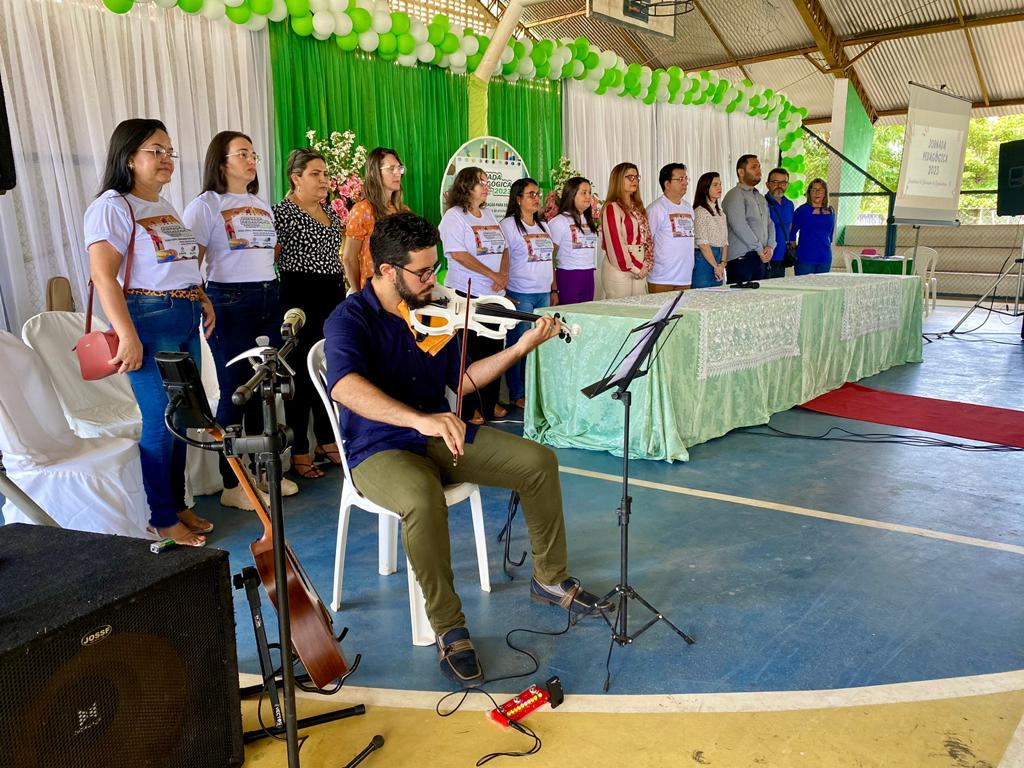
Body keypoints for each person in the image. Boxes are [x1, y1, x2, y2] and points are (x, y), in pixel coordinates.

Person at [324, 212, 611, 687]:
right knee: (420, 497)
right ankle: (449, 628)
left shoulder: (431, 313)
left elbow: (461, 382)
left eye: (434, 269)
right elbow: (345, 387)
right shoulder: (349, 318)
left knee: (538, 462)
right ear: (386, 270)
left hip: (439, 434)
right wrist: (421, 418)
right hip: (377, 448)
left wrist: (522, 347)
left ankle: (550, 578)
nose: (431, 281)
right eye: (421, 272)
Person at [84, 118, 215, 547]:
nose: (166, 160)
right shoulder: (112, 206)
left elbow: (176, 263)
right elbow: (103, 277)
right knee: (160, 422)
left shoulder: (162, 205)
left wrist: (201, 295)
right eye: (155, 151)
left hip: (183, 315)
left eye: (169, 152)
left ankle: (177, 505)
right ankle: (160, 517)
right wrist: (127, 336)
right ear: (128, 157)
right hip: (147, 319)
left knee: (182, 420)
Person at [184, 131, 298, 509]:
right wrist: (202, 302)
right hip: (229, 302)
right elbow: (191, 262)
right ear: (221, 162)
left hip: (269, 296)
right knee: (236, 391)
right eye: (242, 154)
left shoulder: (259, 203)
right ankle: (233, 483)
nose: (251, 160)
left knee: (262, 389)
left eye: (254, 154)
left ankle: (260, 477)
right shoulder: (205, 205)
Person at [273, 148, 346, 479]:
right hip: (299, 295)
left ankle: (327, 440)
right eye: (315, 174)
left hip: (332, 293)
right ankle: (300, 448)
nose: (323, 180)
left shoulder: (330, 209)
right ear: (296, 177)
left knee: (328, 367)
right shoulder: (283, 213)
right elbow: (270, 257)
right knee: (301, 374)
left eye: (325, 173)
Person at [439, 166, 508, 424]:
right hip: (468, 294)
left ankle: (489, 403)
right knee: (471, 354)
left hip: (495, 294)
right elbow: (458, 254)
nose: (486, 186)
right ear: (466, 187)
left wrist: (503, 275)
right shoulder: (454, 217)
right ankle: (469, 408)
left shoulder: (489, 213)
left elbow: (505, 248)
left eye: (486, 181)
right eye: (481, 182)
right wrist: (492, 276)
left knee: (493, 350)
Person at [500, 178, 556, 410]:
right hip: (520, 293)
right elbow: (501, 261)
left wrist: (554, 289)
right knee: (518, 345)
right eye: (531, 194)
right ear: (518, 199)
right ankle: (517, 393)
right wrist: (504, 292)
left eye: (537, 194)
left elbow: (550, 259)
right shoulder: (508, 225)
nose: (536, 198)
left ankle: (533, 390)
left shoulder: (544, 225)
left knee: (538, 345)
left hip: (543, 293)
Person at [342, 146, 408, 292]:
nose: (398, 173)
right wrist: (358, 294)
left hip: (400, 290)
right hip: (372, 293)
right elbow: (349, 259)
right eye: (391, 168)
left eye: (399, 168)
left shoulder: (403, 211)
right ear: (375, 173)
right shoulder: (362, 210)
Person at [721, 154, 774, 288]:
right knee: (740, 302)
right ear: (741, 172)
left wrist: (771, 246)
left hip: (761, 257)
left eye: (759, 167)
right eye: (753, 167)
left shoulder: (760, 197)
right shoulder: (734, 195)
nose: (758, 170)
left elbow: (769, 223)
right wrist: (760, 249)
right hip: (742, 259)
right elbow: (740, 226)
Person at [600, 162, 652, 299]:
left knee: (638, 310)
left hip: (639, 264)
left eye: (636, 177)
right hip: (620, 266)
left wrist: (646, 262)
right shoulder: (612, 208)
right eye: (629, 177)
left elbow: (646, 238)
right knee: (620, 310)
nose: (634, 180)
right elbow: (615, 243)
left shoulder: (637, 207)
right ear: (618, 180)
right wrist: (636, 267)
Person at [548, 176, 598, 304]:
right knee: (570, 319)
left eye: (589, 193)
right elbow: (549, 258)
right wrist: (553, 288)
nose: (588, 197)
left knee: (585, 317)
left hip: (588, 275)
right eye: (584, 193)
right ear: (571, 195)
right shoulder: (559, 221)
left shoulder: (589, 220)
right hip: (568, 275)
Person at [647, 163, 695, 293]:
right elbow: (646, 240)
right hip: (662, 278)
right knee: (662, 313)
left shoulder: (688, 207)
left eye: (686, 178)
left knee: (681, 313)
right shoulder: (656, 209)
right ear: (667, 184)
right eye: (680, 179)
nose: (685, 182)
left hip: (684, 277)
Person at [791, 178, 836, 275]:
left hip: (825, 258)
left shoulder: (831, 211)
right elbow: (792, 231)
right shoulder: (802, 210)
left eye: (820, 189)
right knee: (804, 288)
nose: (817, 192)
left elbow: (831, 235)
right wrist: (794, 248)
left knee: (822, 288)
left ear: (825, 193)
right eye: (814, 189)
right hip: (805, 258)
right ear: (809, 193)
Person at [691, 172, 729, 288]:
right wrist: (715, 266)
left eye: (720, 184)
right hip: (704, 258)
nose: (719, 188)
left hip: (718, 259)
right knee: (702, 295)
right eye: (715, 185)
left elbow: (725, 242)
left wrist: (722, 264)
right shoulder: (700, 211)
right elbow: (702, 243)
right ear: (705, 188)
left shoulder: (721, 213)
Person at [764, 167, 795, 280]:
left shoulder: (789, 204)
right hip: (766, 256)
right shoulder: (762, 203)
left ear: (787, 185)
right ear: (768, 184)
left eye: (783, 182)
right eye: (775, 182)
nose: (779, 186)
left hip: (783, 256)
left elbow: (790, 227)